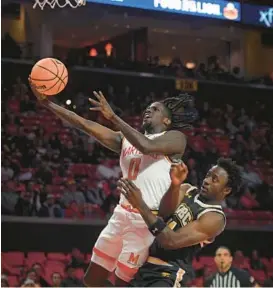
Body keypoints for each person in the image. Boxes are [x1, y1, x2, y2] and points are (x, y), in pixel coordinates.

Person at [29, 79, 197, 286]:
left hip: (146, 220)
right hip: (121, 214)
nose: (148, 111)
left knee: (122, 282)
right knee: (92, 279)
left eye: (154, 109)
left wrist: (114, 117)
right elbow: (84, 124)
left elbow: (146, 146)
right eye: (147, 108)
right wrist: (48, 104)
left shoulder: (175, 138)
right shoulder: (125, 139)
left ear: (167, 121)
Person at [117, 158, 242, 287]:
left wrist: (140, 204)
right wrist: (175, 185)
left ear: (226, 190)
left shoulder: (215, 217)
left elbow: (171, 241)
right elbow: (163, 213)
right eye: (208, 175)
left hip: (169, 274)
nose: (206, 181)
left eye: (214, 179)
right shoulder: (187, 189)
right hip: (145, 267)